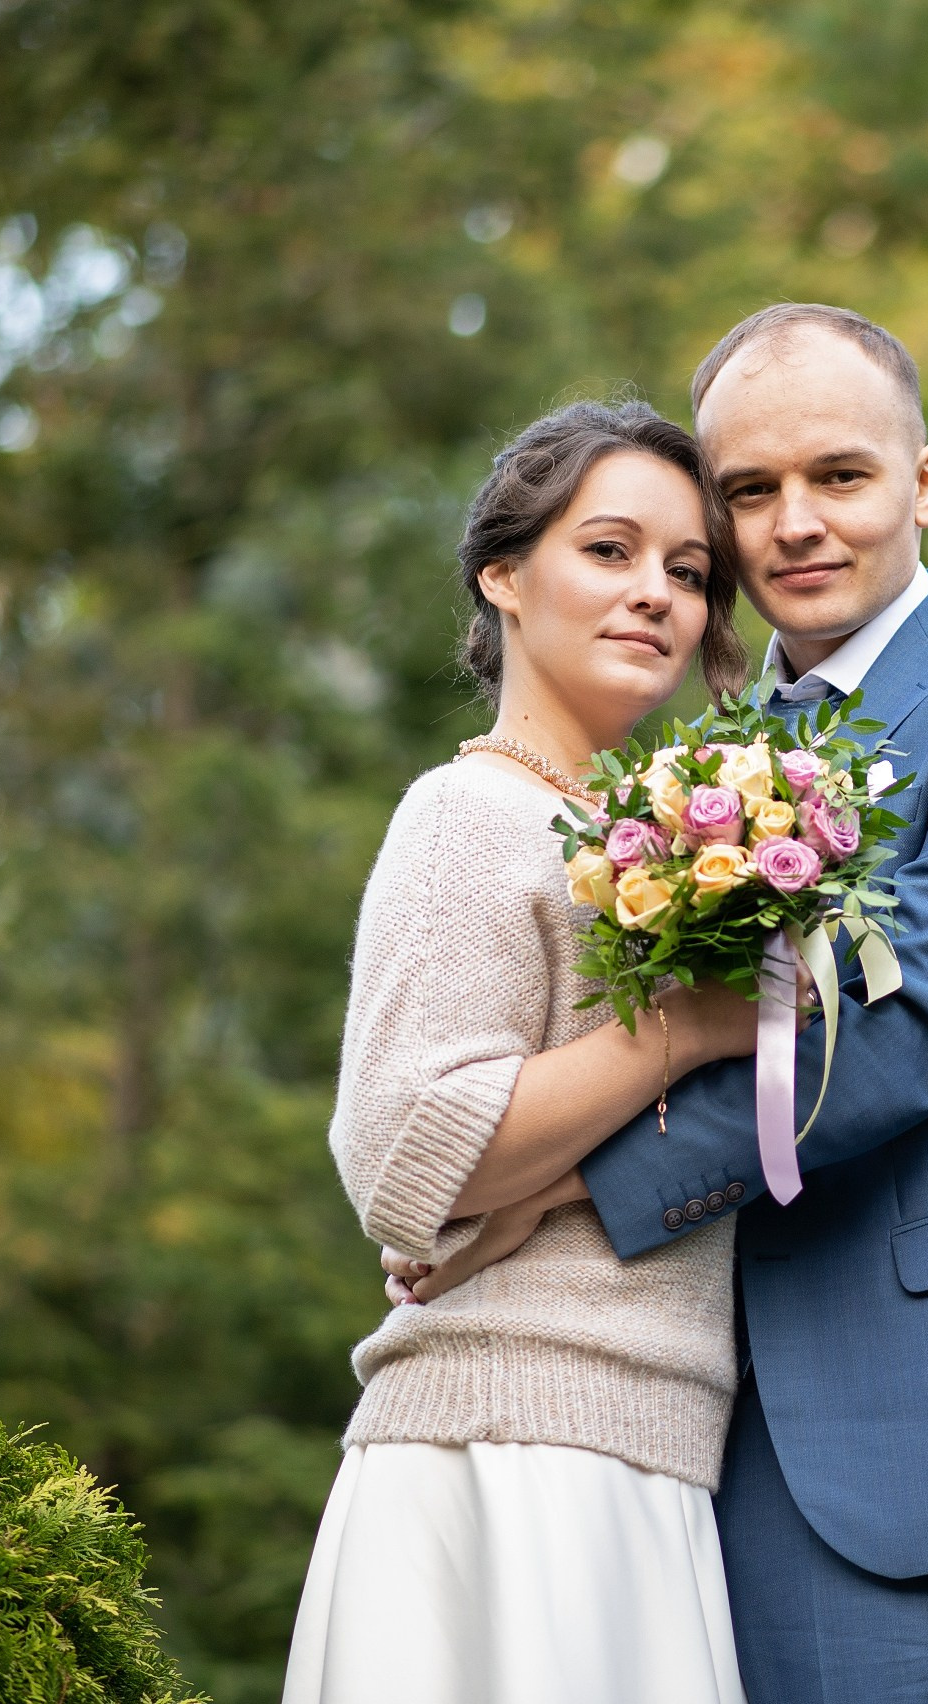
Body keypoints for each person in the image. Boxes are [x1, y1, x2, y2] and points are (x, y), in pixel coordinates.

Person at [400, 305, 928, 1702]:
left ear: (926, 481)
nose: (796, 524)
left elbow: (903, 1028)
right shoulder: (696, 763)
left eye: (841, 477)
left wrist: (549, 1192)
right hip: (668, 1408)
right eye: (750, 492)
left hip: (899, 1403)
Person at [282, 399, 765, 1704]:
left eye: (687, 570)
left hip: (648, 1462)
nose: (655, 596)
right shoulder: (469, 813)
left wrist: (542, 1193)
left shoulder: (659, 845)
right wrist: (686, 1027)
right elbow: (400, 1157)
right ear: (504, 573)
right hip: (505, 1455)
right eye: (609, 551)